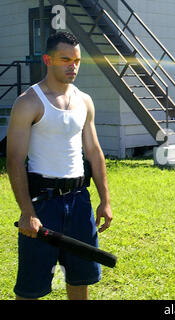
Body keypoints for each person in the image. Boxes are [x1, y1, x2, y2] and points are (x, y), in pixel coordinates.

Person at [7, 31, 112, 300]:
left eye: (76, 60)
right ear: (47, 60)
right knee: (31, 289)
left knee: (80, 280)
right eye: (65, 59)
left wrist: (105, 200)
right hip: (43, 204)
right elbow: (14, 160)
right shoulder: (28, 102)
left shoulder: (84, 101)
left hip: (79, 202)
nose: (72, 66)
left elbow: (94, 151)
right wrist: (27, 212)